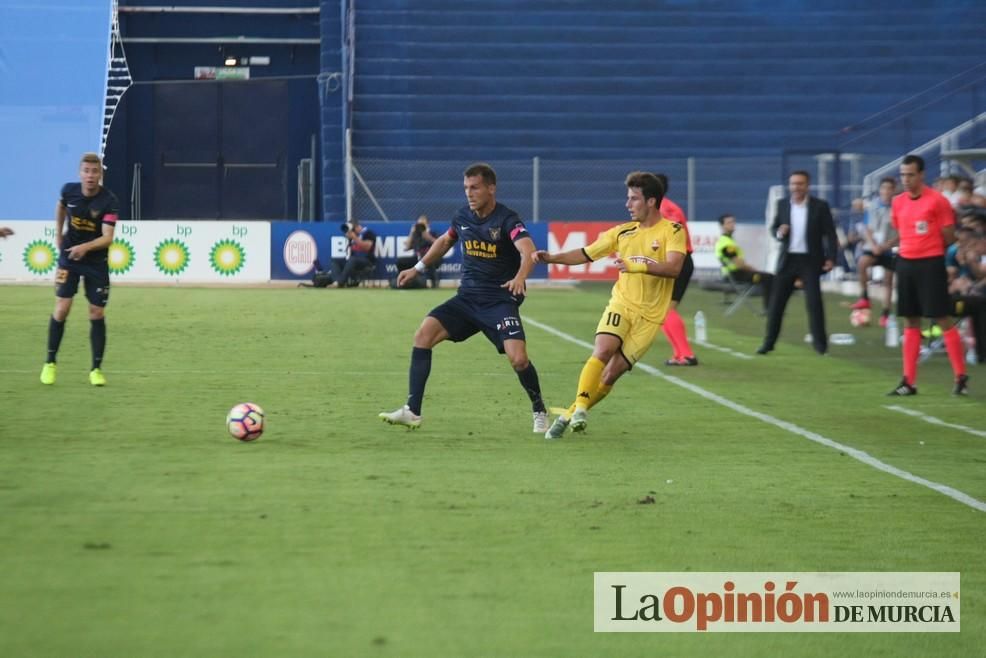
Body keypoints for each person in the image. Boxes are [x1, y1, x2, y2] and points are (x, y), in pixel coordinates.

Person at [379, 163, 549, 432]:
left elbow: (528, 251)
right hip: (467, 299)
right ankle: (412, 411)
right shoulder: (462, 217)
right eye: (466, 188)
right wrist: (418, 268)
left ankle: (539, 408)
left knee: (518, 359)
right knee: (423, 335)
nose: (469, 193)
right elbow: (445, 242)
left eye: (475, 187)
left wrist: (519, 277)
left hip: (499, 301)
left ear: (491, 188)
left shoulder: (508, 219)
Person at [535, 171, 686, 439]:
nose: (628, 204)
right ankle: (581, 408)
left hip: (650, 318)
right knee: (603, 350)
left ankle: (568, 414)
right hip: (622, 304)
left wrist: (636, 265)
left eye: (634, 199)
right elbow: (585, 253)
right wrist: (552, 258)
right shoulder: (622, 233)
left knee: (610, 375)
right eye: (628, 198)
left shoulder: (672, 231)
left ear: (651, 201)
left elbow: (674, 268)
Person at [888, 154, 967, 396]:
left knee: (941, 317)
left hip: (930, 264)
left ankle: (960, 376)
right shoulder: (898, 202)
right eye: (903, 175)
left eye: (911, 175)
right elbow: (900, 229)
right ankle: (908, 381)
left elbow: (949, 235)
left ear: (921, 175)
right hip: (906, 263)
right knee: (910, 319)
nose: (906, 179)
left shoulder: (938, 201)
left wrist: (931, 249)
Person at [40, 152, 119, 386]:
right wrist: (58, 233)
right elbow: (61, 206)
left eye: (95, 172)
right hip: (69, 259)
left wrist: (84, 247)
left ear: (100, 175)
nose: (90, 176)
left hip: (96, 262)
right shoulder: (68, 191)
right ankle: (50, 363)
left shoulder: (109, 201)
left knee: (96, 312)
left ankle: (96, 369)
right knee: (62, 308)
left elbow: (107, 238)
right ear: (80, 173)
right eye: (86, 171)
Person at [757, 170, 838, 355]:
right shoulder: (783, 204)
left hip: (810, 260)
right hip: (788, 260)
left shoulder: (820, 206)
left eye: (800, 183)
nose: (796, 187)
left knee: (814, 303)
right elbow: (773, 229)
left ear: (807, 185)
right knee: (777, 303)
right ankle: (768, 343)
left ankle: (820, 346)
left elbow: (830, 235)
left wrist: (831, 258)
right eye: (793, 184)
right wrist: (780, 232)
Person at [655, 173, 698, 366]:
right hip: (671, 261)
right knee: (663, 310)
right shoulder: (658, 208)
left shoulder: (667, 208)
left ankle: (687, 354)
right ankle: (680, 354)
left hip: (677, 261)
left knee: (666, 308)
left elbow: (675, 234)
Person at [715, 213, 774, 312]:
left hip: (737, 273)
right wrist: (754, 270)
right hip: (735, 275)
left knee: (768, 277)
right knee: (768, 278)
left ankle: (770, 308)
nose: (732, 224)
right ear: (722, 226)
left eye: (733, 221)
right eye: (729, 222)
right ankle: (769, 309)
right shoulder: (726, 243)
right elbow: (739, 265)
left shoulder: (728, 240)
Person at [330, 219, 377, 287]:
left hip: (367, 260)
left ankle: (340, 283)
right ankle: (337, 281)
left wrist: (354, 237)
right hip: (353, 260)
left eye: (352, 229)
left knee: (353, 259)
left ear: (357, 227)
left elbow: (367, 247)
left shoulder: (368, 233)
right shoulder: (354, 236)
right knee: (335, 260)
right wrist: (350, 238)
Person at [402, 214, 440, 288]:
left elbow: (438, 244)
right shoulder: (416, 235)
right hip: (417, 257)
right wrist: (412, 232)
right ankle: (405, 282)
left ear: (427, 224)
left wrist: (426, 235)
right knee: (401, 262)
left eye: (423, 224)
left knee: (430, 262)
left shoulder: (433, 233)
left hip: (431, 257)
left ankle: (434, 284)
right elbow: (407, 247)